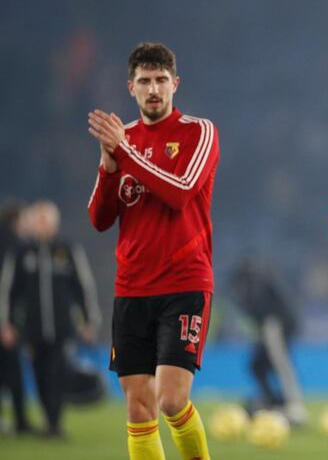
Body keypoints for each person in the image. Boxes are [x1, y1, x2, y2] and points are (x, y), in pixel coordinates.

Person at [87, 42, 219, 460]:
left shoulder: (199, 132)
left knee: (171, 400)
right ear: (131, 87)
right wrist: (110, 168)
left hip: (184, 284)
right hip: (131, 289)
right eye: (144, 81)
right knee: (139, 407)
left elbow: (180, 193)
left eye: (161, 79)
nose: (153, 88)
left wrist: (123, 152)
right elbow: (100, 219)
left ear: (175, 84)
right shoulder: (121, 141)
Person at [0, 200, 101, 438]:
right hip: (33, 329)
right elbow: (8, 292)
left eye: (47, 221)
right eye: (39, 220)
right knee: (39, 374)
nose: (43, 226)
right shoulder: (21, 252)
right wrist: (6, 325)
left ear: (55, 224)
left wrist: (89, 321)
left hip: (62, 328)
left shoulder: (67, 250)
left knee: (57, 373)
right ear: (33, 224)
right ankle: (48, 420)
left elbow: (83, 287)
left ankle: (55, 424)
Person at [229, 256, 307, 425]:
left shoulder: (257, 283)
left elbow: (265, 311)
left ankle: (294, 407)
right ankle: (272, 400)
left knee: (280, 362)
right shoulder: (259, 281)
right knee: (258, 364)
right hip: (270, 325)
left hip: (275, 324)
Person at [0, 199, 33, 435]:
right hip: (6, 323)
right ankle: (21, 422)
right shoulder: (14, 246)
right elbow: (7, 289)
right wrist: (7, 324)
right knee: (13, 374)